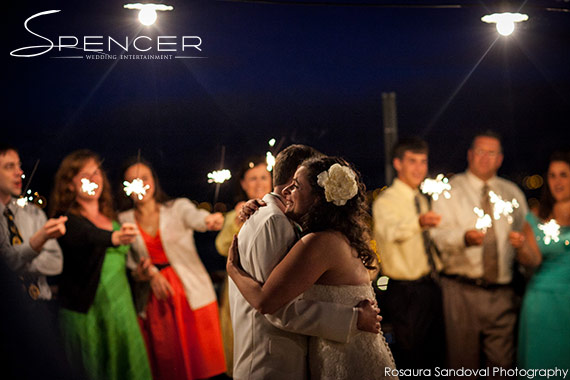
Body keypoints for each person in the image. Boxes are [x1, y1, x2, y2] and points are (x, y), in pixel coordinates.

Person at [228, 154, 397, 380]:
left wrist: (233, 270)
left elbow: (265, 301)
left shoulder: (319, 242)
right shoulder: (336, 235)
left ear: (318, 199)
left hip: (345, 358)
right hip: (345, 350)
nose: (287, 191)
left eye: (297, 186)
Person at [117, 158, 226, 380]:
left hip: (190, 292)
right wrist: (145, 273)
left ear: (154, 181)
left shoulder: (177, 207)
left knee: (203, 363)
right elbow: (128, 263)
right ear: (126, 188)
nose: (140, 184)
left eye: (144, 178)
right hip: (156, 299)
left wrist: (209, 220)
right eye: (133, 181)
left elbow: (195, 218)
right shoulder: (123, 220)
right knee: (169, 364)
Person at [431, 131, 528, 376]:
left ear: (500, 159)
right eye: (480, 152)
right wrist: (464, 237)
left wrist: (522, 243)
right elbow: (437, 236)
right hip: (461, 292)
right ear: (470, 155)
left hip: (502, 293)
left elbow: (526, 235)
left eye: (491, 153)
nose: (485, 158)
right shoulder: (450, 191)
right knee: (463, 367)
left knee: (503, 366)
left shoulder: (512, 193)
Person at [50, 150, 152, 380]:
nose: (94, 179)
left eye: (97, 172)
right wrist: (113, 238)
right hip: (87, 312)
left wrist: (138, 273)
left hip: (120, 307)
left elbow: (118, 265)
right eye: (85, 174)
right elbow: (86, 235)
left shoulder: (114, 218)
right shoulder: (66, 221)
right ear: (70, 184)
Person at [372, 137, 444, 372]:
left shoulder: (422, 199)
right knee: (412, 359)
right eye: (412, 161)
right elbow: (391, 233)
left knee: (435, 355)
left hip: (430, 285)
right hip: (404, 292)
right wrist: (419, 221)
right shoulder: (386, 201)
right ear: (398, 163)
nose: (419, 168)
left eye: (423, 162)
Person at [510, 150, 570, 372]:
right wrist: (521, 246)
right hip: (542, 303)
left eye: (563, 174)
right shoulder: (535, 216)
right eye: (552, 175)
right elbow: (532, 260)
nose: (557, 181)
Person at [214, 155, 272, 376]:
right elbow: (221, 246)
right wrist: (236, 223)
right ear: (243, 184)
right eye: (252, 178)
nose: (258, 183)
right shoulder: (235, 214)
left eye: (263, 177)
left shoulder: (280, 210)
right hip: (239, 284)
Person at [0, 144, 66, 305]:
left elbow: (55, 262)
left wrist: (19, 262)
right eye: (9, 167)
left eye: (19, 166)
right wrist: (35, 244)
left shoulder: (33, 212)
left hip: (39, 303)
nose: (19, 173)